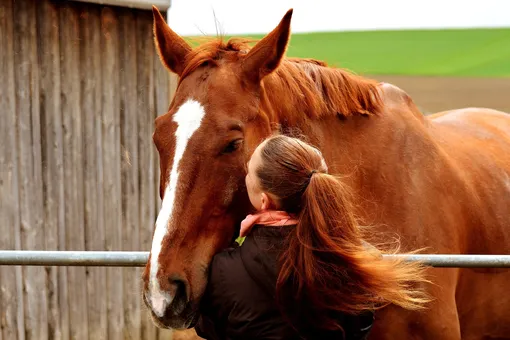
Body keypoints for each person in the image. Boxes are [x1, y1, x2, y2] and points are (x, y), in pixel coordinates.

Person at [195, 135, 430, 340]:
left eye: (248, 172)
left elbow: (209, 328)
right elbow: (361, 326)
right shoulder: (358, 261)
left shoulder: (223, 271)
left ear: (264, 201)